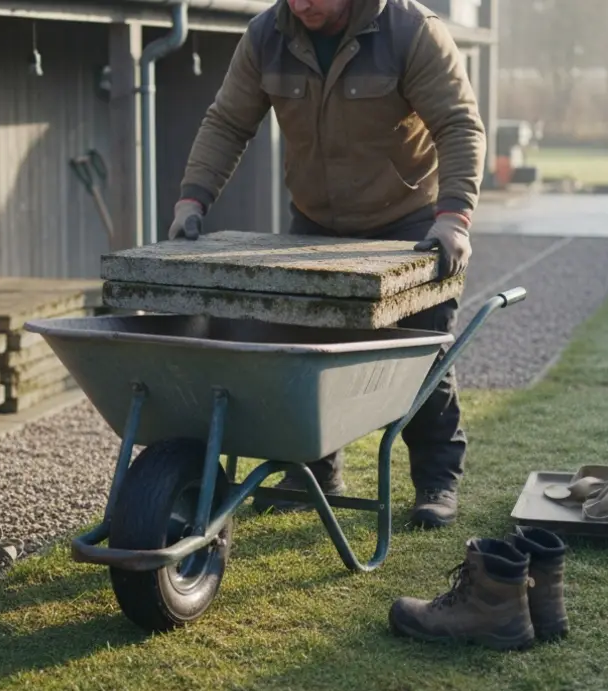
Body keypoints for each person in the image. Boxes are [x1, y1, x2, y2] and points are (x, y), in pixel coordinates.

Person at [167, 0, 485, 529]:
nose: (303, 4)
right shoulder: (266, 35)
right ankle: (316, 472)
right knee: (306, 355)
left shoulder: (412, 32)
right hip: (316, 224)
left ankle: (435, 479)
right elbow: (227, 121)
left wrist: (454, 217)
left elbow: (458, 125)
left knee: (421, 355)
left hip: (408, 222)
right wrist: (191, 200)